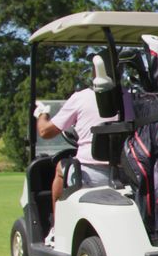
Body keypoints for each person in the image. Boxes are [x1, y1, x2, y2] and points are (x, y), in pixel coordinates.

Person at [34, 87, 118, 245]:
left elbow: (45, 131)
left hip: (89, 173)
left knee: (60, 167)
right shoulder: (129, 96)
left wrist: (41, 114)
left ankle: (56, 230)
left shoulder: (81, 98)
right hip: (124, 173)